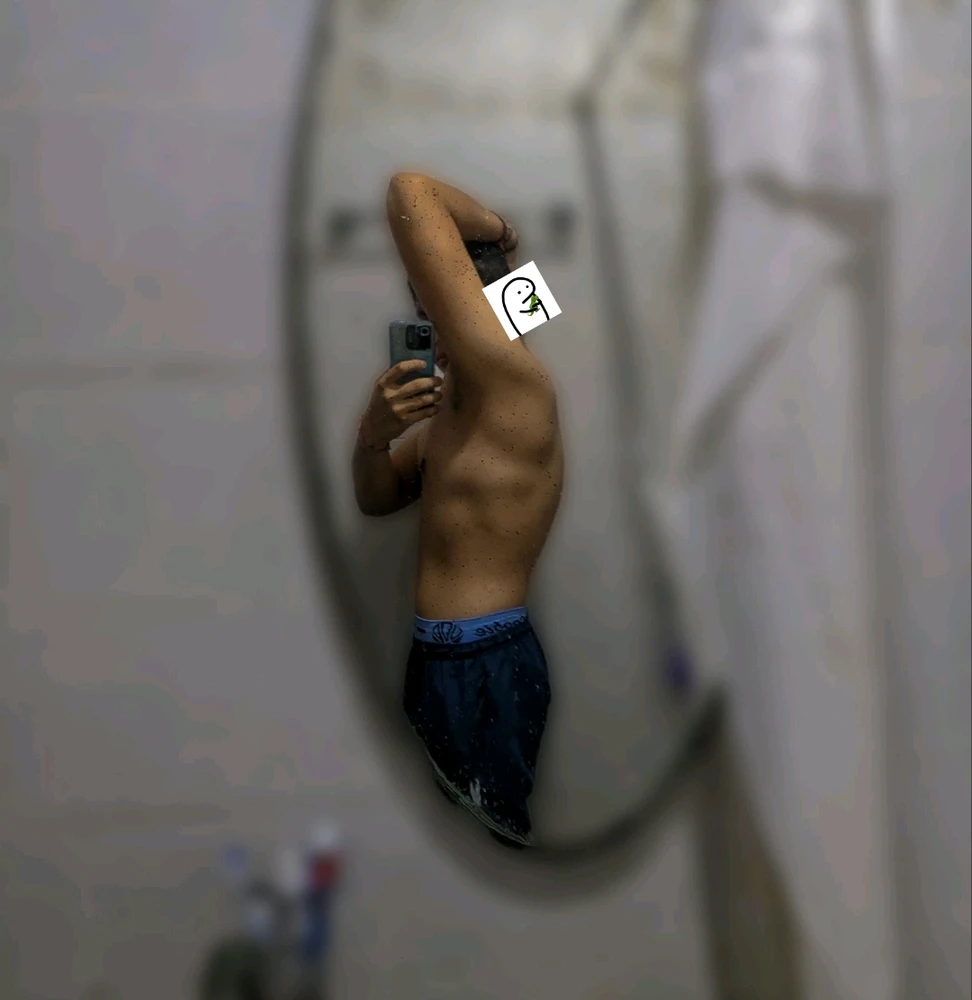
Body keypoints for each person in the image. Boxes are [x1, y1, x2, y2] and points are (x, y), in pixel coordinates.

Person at [352, 173, 565, 847]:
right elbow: (377, 500)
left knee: (492, 850)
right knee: (447, 849)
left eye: (440, 313)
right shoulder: (456, 412)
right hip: (438, 662)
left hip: (487, 666)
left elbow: (409, 189)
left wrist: (501, 233)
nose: (434, 334)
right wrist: (372, 437)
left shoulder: (518, 389)